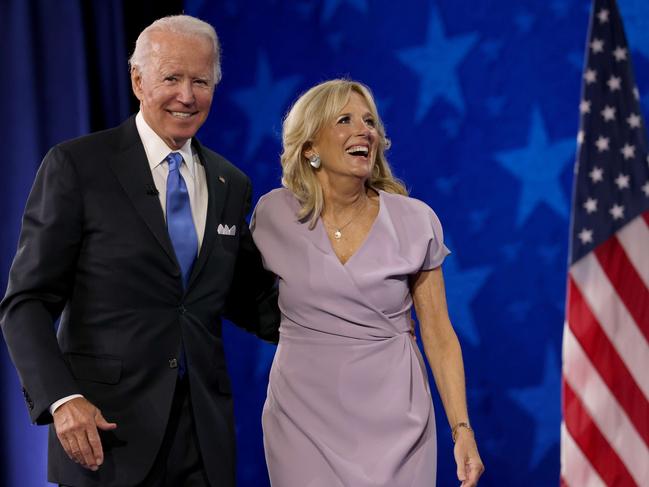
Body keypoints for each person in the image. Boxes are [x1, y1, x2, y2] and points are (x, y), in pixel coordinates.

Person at [0, 15, 279, 487]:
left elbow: (255, 302)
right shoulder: (78, 166)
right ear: (138, 80)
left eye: (201, 81)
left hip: (202, 441)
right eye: (172, 78)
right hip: (105, 435)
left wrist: (361, 324)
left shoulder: (230, 183)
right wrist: (62, 399)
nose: (187, 96)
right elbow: (25, 302)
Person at [251, 79, 484, 486]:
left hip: (396, 419)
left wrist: (462, 430)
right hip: (302, 419)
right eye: (345, 120)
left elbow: (440, 334)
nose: (365, 131)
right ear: (310, 147)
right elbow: (234, 294)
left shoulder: (414, 221)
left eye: (370, 122)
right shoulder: (273, 215)